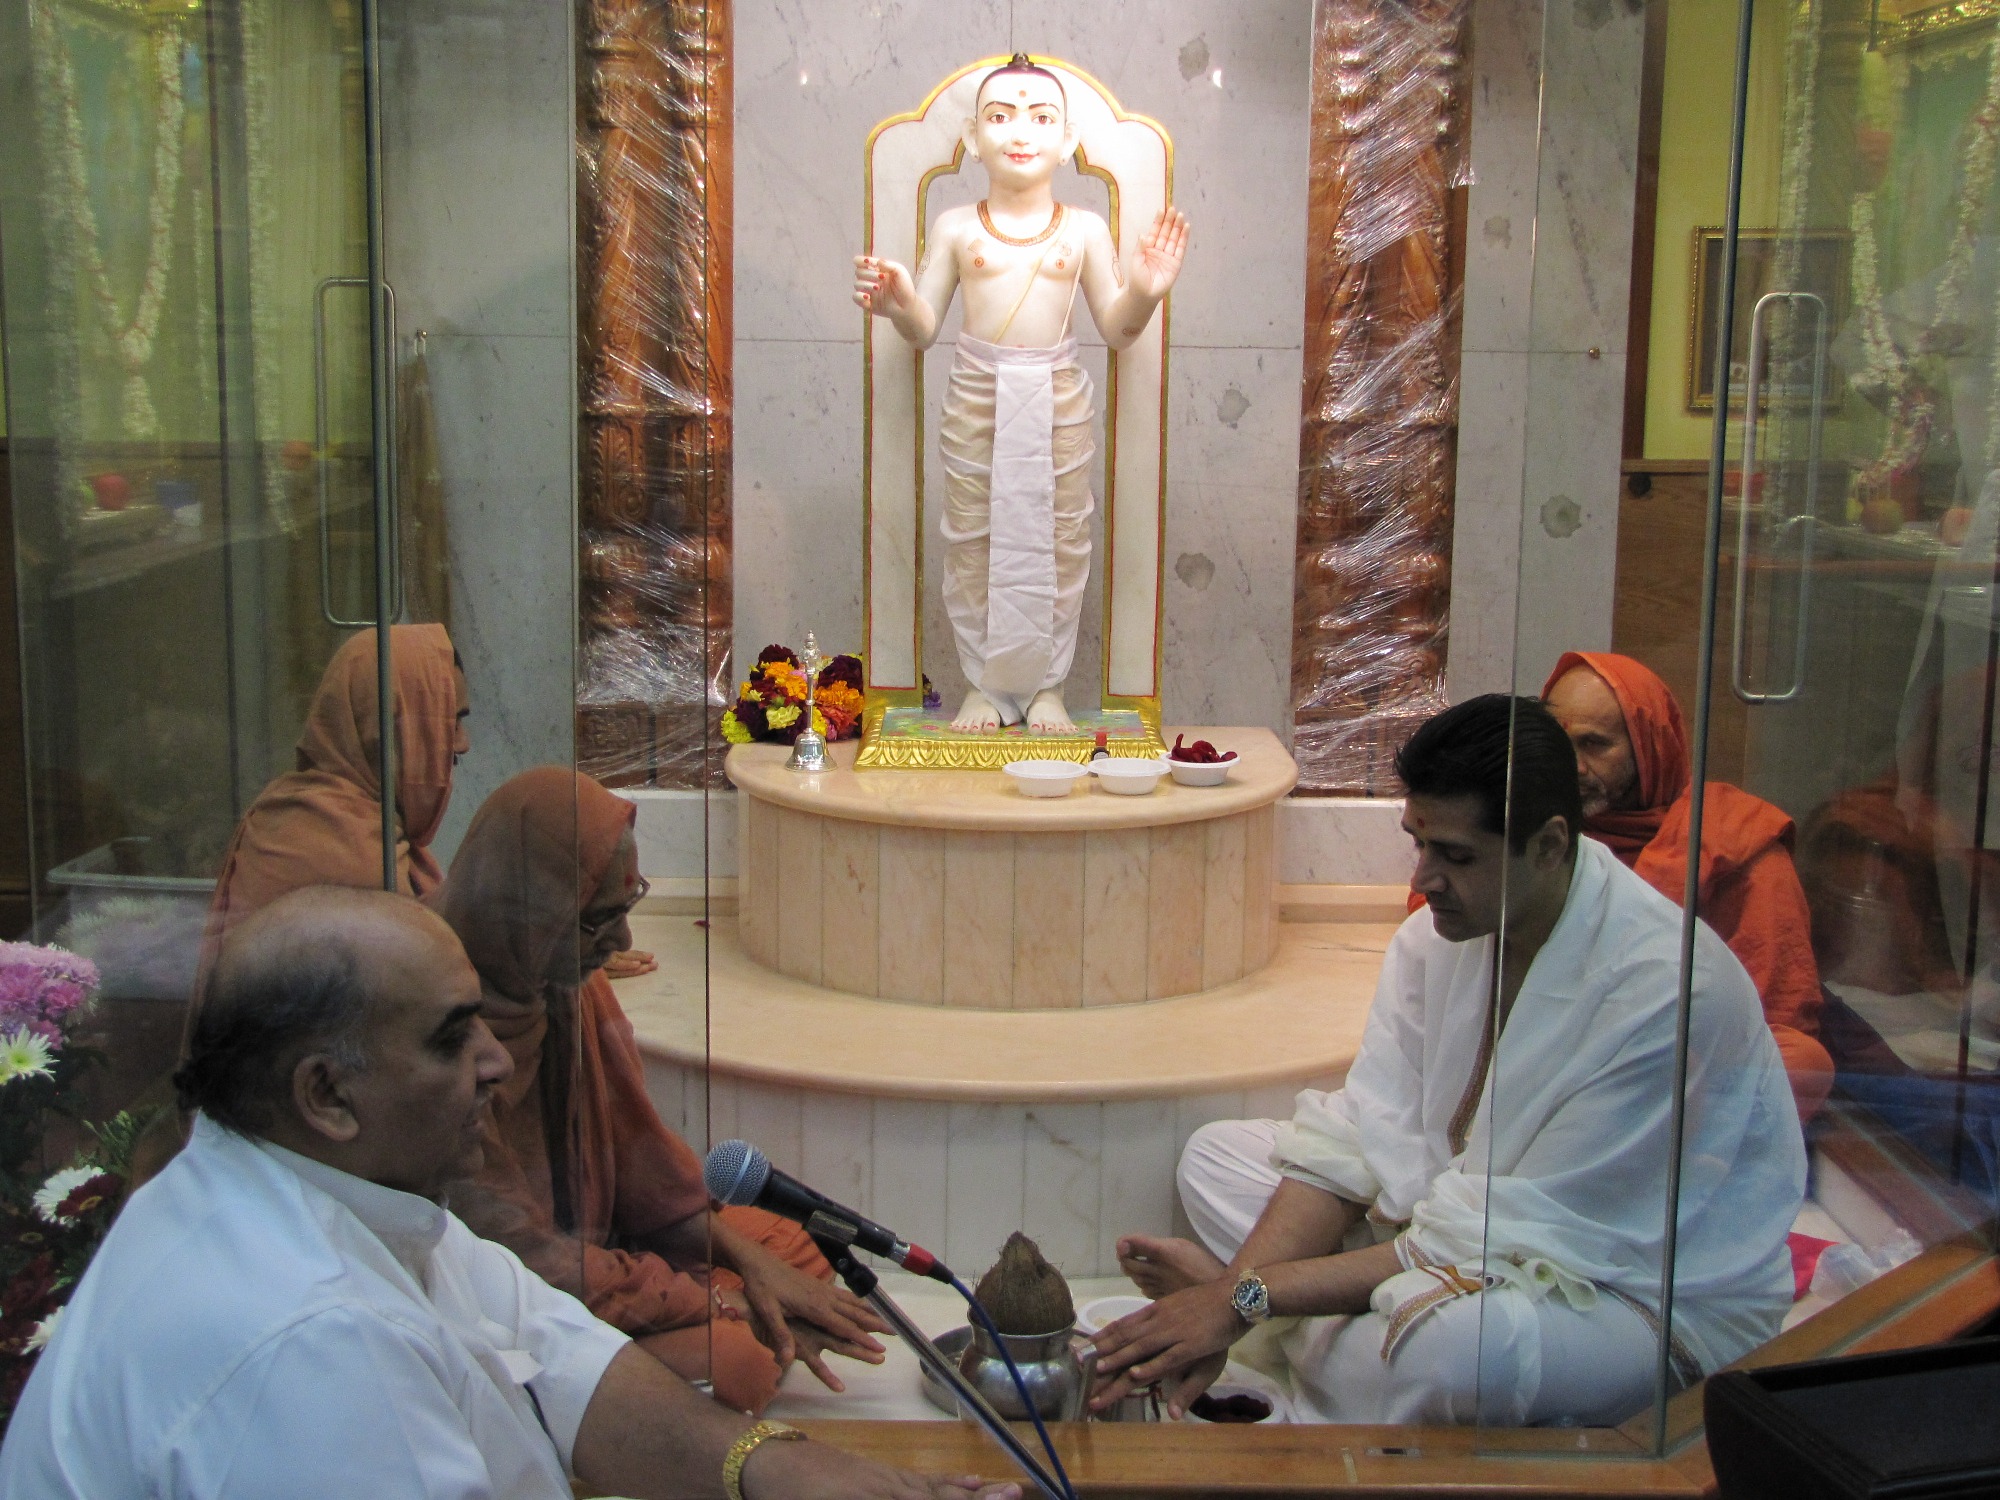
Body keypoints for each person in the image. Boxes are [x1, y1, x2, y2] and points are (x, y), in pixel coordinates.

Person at [0, 888, 1015, 1500]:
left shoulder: (327, 1191)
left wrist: (774, 1465)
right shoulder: (310, 1337)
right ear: (326, 1094)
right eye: (452, 1038)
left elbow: (552, 1351)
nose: (496, 1062)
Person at [1092, 695, 1805, 1426]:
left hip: (1628, 1295)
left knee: (1462, 1357)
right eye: (1418, 843)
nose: (1425, 877)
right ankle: (1334, 1345)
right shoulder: (1439, 937)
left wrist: (1239, 1297)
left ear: (1551, 845)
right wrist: (1241, 1294)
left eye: (1456, 856)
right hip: (1443, 1231)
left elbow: (1497, 1237)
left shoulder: (1661, 993)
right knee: (1216, 1158)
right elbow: (1357, 1136)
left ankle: (1311, 1343)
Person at [427, 767, 888, 1413]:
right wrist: (722, 1299)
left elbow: (644, 1164)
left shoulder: (568, 987)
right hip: (513, 1308)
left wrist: (752, 1267)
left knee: (793, 1248)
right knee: (735, 1365)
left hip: (600, 1253)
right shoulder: (439, 1039)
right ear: (530, 912)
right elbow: (521, 1267)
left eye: (627, 908)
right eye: (598, 922)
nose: (622, 944)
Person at [854, 53, 1189, 732]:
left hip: (1057, 396)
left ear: (1068, 143)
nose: (1020, 131)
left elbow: (1118, 330)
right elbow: (923, 329)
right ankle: (984, 683)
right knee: (974, 542)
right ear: (973, 139)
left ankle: (1045, 688)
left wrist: (1147, 292)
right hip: (978, 394)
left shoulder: (1086, 230)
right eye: (1000, 116)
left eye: (1041, 117)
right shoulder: (955, 227)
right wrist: (895, 302)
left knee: (1058, 542)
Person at [1542, 651, 1834, 1120]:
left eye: (1595, 745)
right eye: (1556, 744)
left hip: (1683, 1076)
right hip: (1545, 1058)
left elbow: (1777, 1020)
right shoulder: (1535, 828)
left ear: (1649, 747)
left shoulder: (1736, 841)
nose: (1569, 766)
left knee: (1802, 1063)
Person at [194, 624, 467, 992]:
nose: (462, 744)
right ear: (383, 730)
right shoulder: (338, 848)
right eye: (451, 722)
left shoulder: (329, 816)